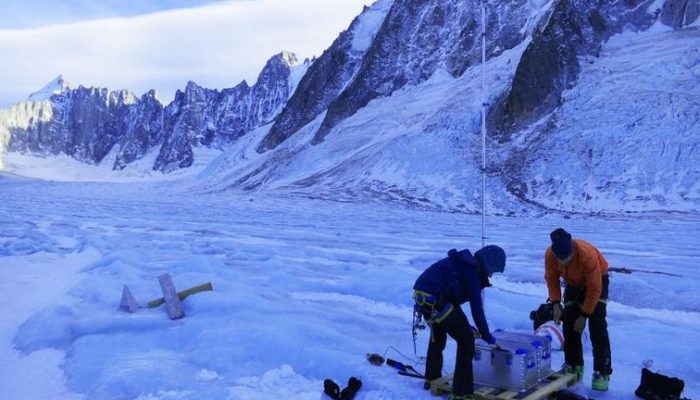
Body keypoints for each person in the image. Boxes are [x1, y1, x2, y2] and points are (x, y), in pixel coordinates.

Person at [413, 245, 506, 400]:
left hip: (424, 297)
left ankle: (432, 378)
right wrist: (487, 336)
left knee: (439, 337)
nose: (491, 275)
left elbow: (452, 297)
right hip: (436, 300)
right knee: (466, 340)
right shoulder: (472, 273)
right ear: (489, 263)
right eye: (493, 270)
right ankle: (461, 394)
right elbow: (477, 308)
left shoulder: (464, 264)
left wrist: (466, 325)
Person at [545, 228, 612, 391]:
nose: (563, 262)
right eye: (560, 258)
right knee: (569, 325)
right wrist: (555, 303)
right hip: (573, 283)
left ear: (572, 250)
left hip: (597, 281)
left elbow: (595, 288)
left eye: (567, 258)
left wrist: (584, 315)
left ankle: (602, 372)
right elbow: (552, 279)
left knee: (597, 326)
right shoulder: (550, 255)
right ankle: (573, 367)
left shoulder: (586, 254)